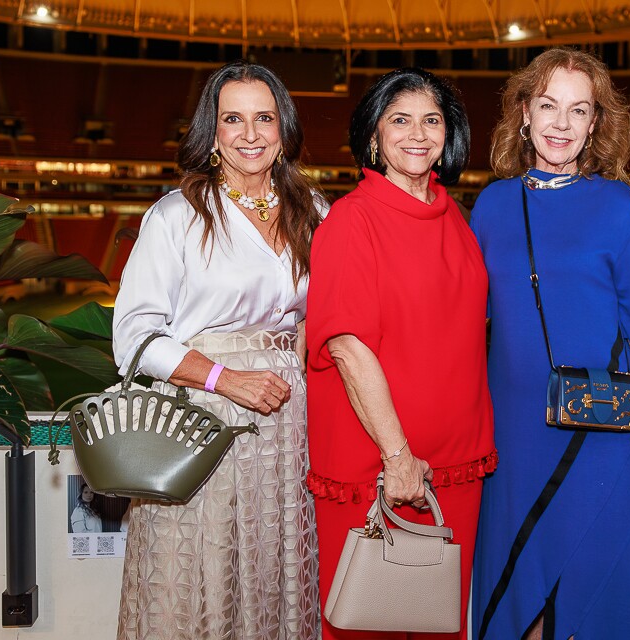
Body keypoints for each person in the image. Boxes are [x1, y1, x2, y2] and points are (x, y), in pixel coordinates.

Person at [112, 61, 326, 640]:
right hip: (201, 424)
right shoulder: (177, 215)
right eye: (234, 119)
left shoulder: (316, 213)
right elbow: (132, 337)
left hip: (291, 425)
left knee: (278, 575)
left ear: (285, 130)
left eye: (265, 118)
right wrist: (224, 379)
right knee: (200, 582)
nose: (250, 134)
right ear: (213, 131)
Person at [470, 48, 630, 640]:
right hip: (512, 429)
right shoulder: (492, 204)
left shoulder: (619, 205)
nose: (561, 123)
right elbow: (467, 317)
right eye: (549, 106)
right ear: (524, 114)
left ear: (594, 124)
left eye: (578, 110)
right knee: (518, 588)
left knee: (589, 584)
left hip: (601, 428)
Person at [305, 67, 495, 640]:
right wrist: (397, 456)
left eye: (432, 120)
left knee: (439, 624)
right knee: (368, 623)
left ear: (449, 133)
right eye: (400, 120)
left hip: (455, 466)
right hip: (380, 463)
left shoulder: (454, 216)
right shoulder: (351, 220)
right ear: (373, 136)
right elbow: (347, 345)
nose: (418, 133)